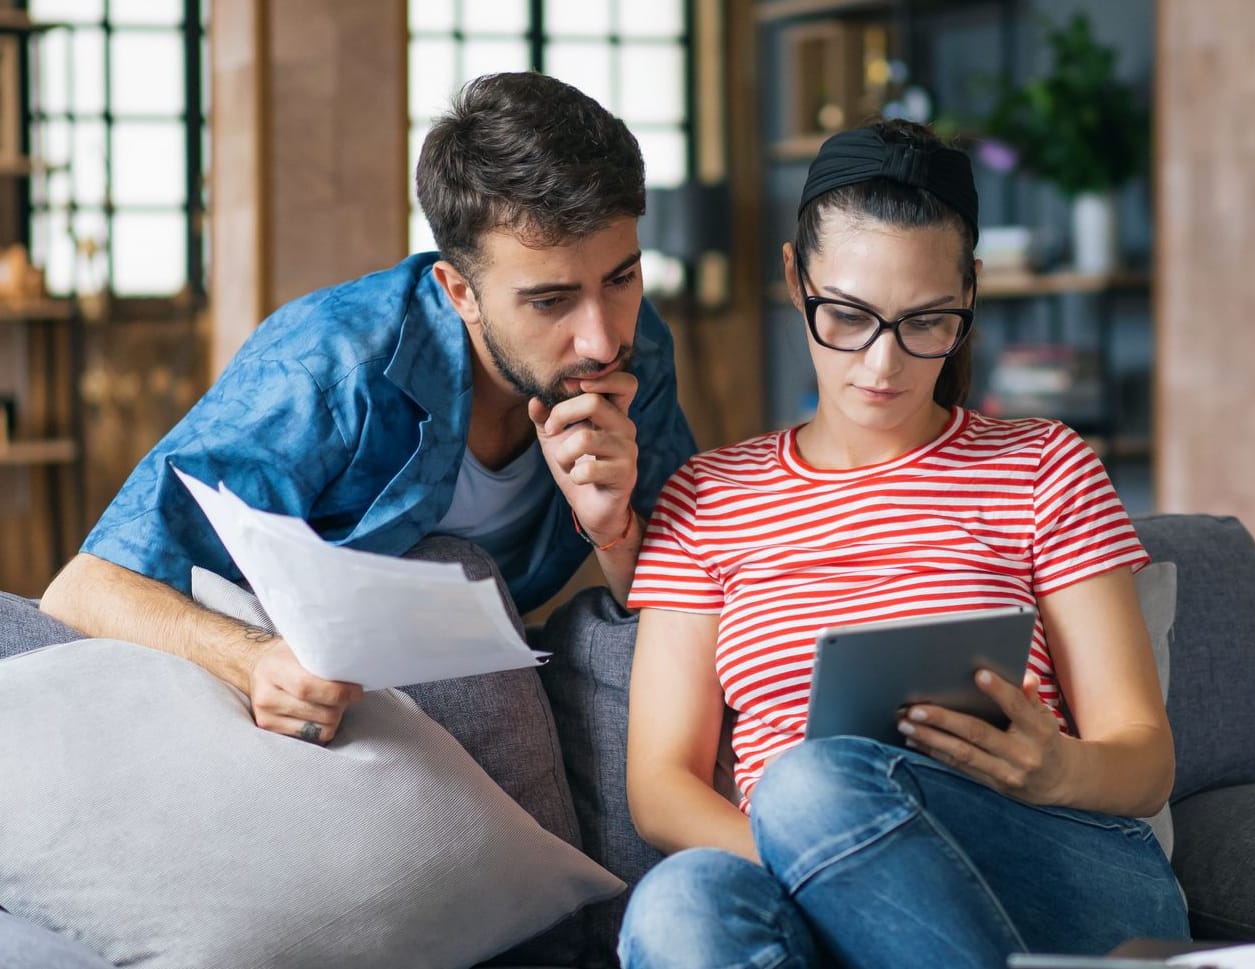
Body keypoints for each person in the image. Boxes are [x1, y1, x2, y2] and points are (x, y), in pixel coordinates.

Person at [619, 119, 1188, 967]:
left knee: (808, 780)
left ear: (971, 295)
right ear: (792, 276)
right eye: (846, 315)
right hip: (809, 869)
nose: (883, 364)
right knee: (678, 904)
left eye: (927, 321)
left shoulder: (1043, 464)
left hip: (1056, 859)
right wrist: (817, 859)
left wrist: (1055, 769)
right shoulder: (708, 497)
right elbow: (659, 786)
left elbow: (1144, 759)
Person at [39, 71, 695, 746]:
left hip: (476, 672)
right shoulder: (331, 364)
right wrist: (254, 659)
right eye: (550, 300)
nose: (602, 337)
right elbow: (87, 587)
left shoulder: (635, 347)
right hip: (290, 691)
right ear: (459, 292)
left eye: (621, 277)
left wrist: (613, 530)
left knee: (635, 646)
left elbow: (692, 592)